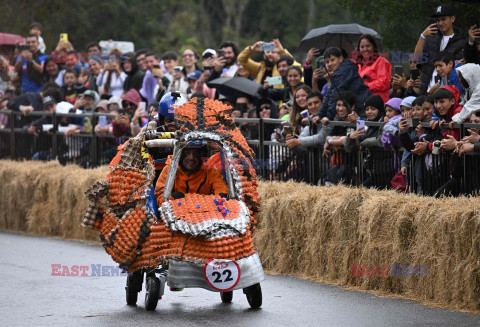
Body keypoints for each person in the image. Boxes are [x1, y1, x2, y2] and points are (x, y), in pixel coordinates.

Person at [414, 4, 465, 95]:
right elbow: (416, 59)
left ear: (452, 19)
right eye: (438, 20)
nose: (440, 23)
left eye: (443, 19)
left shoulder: (461, 42)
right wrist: (422, 36)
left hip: (446, 94)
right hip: (425, 92)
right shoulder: (431, 38)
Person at [154, 146, 229, 206]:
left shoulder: (210, 171)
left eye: (196, 154)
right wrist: (173, 201)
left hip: (205, 213)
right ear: (180, 155)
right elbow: (161, 194)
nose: (191, 158)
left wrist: (211, 200)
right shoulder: (170, 170)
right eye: (187, 154)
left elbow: (222, 192)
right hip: (176, 213)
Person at [313, 47, 370, 123]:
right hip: (354, 106)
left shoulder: (342, 71)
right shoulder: (338, 72)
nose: (330, 64)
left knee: (360, 131)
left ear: (340, 59)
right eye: (327, 62)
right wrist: (320, 115)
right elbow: (329, 95)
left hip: (360, 106)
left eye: (332, 60)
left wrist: (329, 118)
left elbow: (335, 96)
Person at [354, 34, 392, 103]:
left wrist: (364, 85)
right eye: (362, 47)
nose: (365, 49)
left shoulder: (382, 62)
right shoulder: (359, 64)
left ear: (373, 47)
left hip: (379, 102)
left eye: (368, 46)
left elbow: (384, 83)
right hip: (364, 102)